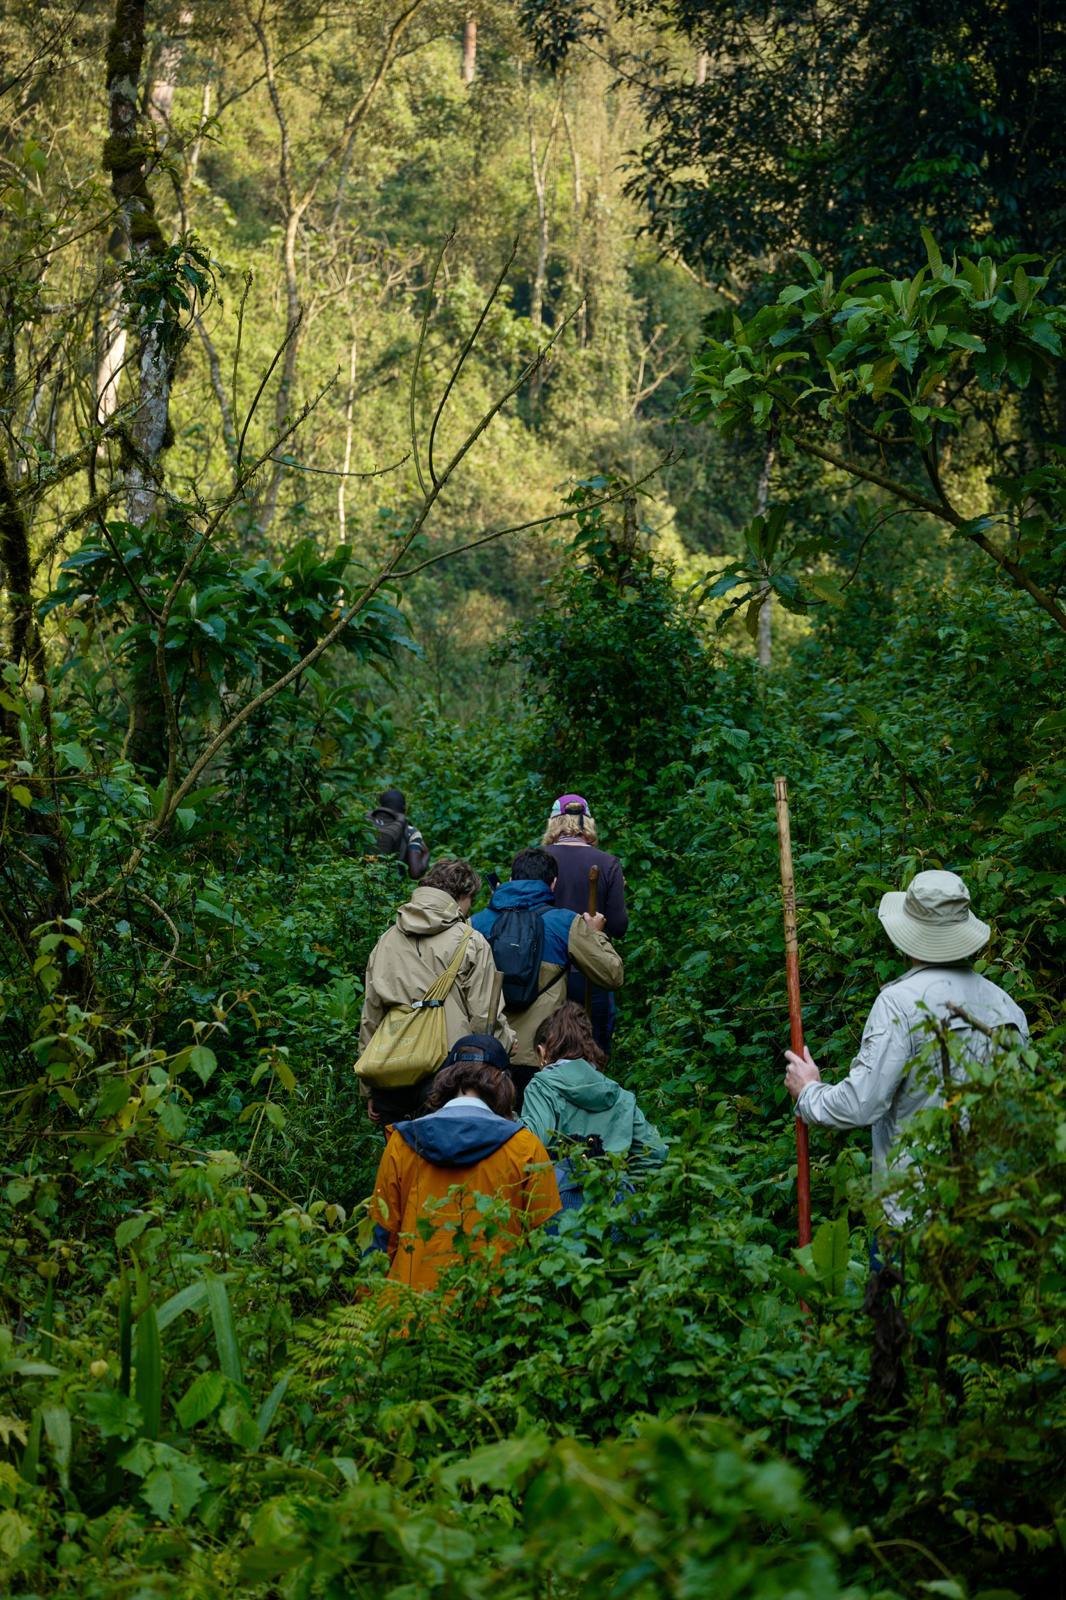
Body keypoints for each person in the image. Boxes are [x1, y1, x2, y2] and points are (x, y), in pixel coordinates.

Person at [784, 869, 1029, 1230]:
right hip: (992, 1218)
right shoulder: (1005, 1005)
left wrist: (808, 1092)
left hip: (913, 1217)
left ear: (908, 936)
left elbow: (861, 1104)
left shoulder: (899, 1003)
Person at [368, 1041, 561, 1292]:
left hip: (409, 1306)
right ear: (505, 1084)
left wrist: (365, 1303)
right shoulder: (526, 1147)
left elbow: (381, 1237)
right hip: (497, 1306)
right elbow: (547, 1239)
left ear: (444, 1079)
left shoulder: (402, 1143)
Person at [359, 859, 515, 1122]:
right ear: (463, 896)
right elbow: (483, 1017)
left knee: (400, 1147)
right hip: (449, 1074)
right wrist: (506, 1044)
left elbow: (371, 1016)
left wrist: (370, 1087)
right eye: (471, 900)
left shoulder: (386, 940)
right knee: (444, 1145)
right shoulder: (471, 941)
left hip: (391, 1072)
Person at [471, 848, 623, 1110]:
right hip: (542, 1055)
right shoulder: (564, 923)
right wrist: (595, 933)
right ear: (553, 884)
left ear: (510, 879)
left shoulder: (475, 924)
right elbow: (612, 974)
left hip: (487, 1055)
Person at [522, 1002, 667, 1209]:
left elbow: (531, 1146)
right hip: (614, 1202)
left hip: (558, 1202)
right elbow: (656, 1153)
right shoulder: (621, 1097)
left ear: (542, 1051)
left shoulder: (542, 1087)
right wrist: (622, 1179)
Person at [541, 794, 627, 1053]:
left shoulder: (537, 859)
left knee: (548, 1047)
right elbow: (619, 926)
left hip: (545, 973)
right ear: (588, 822)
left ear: (554, 822)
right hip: (591, 970)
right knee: (593, 1047)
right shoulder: (607, 863)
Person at [367, 787, 429, 880]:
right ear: (404, 808)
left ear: (381, 806)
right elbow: (415, 873)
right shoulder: (411, 831)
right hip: (391, 885)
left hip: (363, 879)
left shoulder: (365, 825)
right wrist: (426, 854)